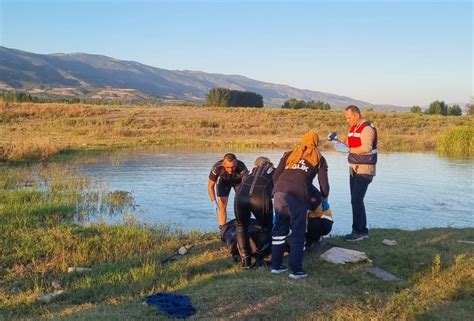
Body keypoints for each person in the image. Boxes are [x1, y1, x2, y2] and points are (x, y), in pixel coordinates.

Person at [271, 132, 330, 280]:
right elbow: (324, 185)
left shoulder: (290, 154)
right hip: (298, 194)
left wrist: (278, 189)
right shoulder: (319, 158)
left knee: (279, 229)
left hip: (279, 190)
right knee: (298, 232)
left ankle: (276, 266)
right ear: (316, 143)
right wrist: (323, 197)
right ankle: (296, 271)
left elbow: (275, 175)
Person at [334, 105, 377, 241]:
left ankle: (360, 232)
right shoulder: (353, 129)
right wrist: (338, 143)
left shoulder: (367, 128)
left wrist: (348, 150)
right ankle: (359, 230)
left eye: (349, 117)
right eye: (346, 118)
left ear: (357, 115)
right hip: (354, 168)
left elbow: (366, 147)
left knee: (356, 199)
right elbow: (349, 146)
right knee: (356, 200)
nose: (347, 120)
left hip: (364, 169)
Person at [234, 156, 274, 268]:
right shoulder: (273, 171)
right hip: (260, 199)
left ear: (255, 165)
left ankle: (245, 261)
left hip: (240, 197)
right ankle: (259, 260)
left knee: (241, 226)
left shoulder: (249, 171)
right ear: (269, 164)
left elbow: (243, 183)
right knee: (265, 228)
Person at [208, 153, 249, 230]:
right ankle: (222, 229)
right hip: (223, 182)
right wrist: (213, 201)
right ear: (223, 163)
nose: (230, 169)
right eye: (228, 167)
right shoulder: (217, 167)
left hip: (238, 182)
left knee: (242, 203)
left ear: (236, 163)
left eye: (233, 167)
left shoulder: (241, 166)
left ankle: (243, 226)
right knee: (222, 205)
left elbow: (247, 184)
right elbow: (210, 185)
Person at [305, 185, 333, 252]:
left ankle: (318, 240)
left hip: (323, 222)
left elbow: (304, 212)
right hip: (311, 219)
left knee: (309, 224)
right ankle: (309, 241)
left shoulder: (313, 193)